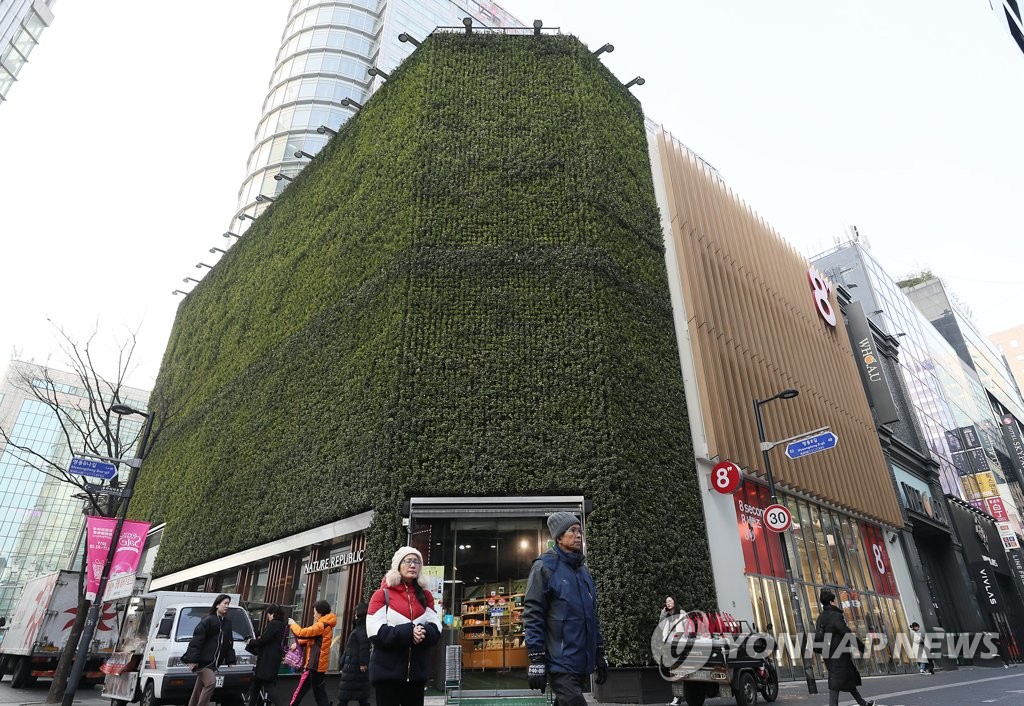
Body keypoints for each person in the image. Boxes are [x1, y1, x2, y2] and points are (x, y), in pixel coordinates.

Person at [523, 512, 608, 706]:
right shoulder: (545, 567)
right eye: (573, 530)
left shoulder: (583, 572)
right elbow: (533, 614)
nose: (578, 535)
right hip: (560, 661)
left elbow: (591, 617)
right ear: (559, 537)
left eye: (580, 531)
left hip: (581, 660)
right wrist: (536, 658)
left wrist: (599, 653)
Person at [367, 546, 442, 706]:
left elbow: (436, 628)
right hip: (387, 676)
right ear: (398, 565)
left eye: (417, 562)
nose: (413, 565)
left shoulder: (425, 596)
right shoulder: (381, 595)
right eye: (408, 561)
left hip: (416, 677)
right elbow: (375, 632)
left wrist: (423, 632)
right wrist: (410, 633)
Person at [813, 589, 874, 706]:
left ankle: (862, 703)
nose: (836, 602)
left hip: (828, 652)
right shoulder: (835, 616)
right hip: (838, 653)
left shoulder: (821, 617)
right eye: (834, 600)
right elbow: (846, 633)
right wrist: (862, 647)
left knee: (845, 679)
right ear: (831, 602)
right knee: (836, 682)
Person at [182, 594, 237, 706]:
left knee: (199, 688)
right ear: (217, 604)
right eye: (225, 603)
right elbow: (197, 640)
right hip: (202, 662)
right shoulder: (208, 620)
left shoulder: (227, 623)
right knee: (211, 683)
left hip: (213, 663)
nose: (227, 606)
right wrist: (193, 659)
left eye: (228, 604)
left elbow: (229, 642)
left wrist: (230, 659)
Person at [287, 599, 337, 706]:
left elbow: (301, 632)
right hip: (319, 666)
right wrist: (298, 644)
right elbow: (313, 639)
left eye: (315, 612)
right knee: (320, 694)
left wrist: (292, 624)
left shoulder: (321, 625)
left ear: (321, 612)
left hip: (313, 665)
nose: (314, 615)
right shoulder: (326, 624)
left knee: (299, 692)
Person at [246, 604, 287, 706]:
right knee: (256, 686)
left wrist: (250, 642)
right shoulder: (282, 625)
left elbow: (264, 640)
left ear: (273, 614)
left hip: (267, 661)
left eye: (269, 614)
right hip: (272, 659)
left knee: (269, 687)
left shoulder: (273, 624)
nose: (268, 616)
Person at [337, 602, 371, 706]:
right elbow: (350, 648)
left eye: (356, 612)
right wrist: (342, 661)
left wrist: (363, 663)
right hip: (352, 665)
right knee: (360, 696)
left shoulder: (362, 628)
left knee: (345, 696)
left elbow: (364, 646)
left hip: (354, 666)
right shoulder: (359, 627)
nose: (355, 614)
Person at [660, 597, 683, 706]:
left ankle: (679, 698)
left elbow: (687, 627)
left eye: (670, 601)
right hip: (670, 646)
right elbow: (661, 626)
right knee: (674, 671)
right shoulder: (667, 615)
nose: (668, 603)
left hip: (682, 645)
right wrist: (663, 614)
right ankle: (677, 697)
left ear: (675, 601)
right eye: (667, 602)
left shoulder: (681, 612)